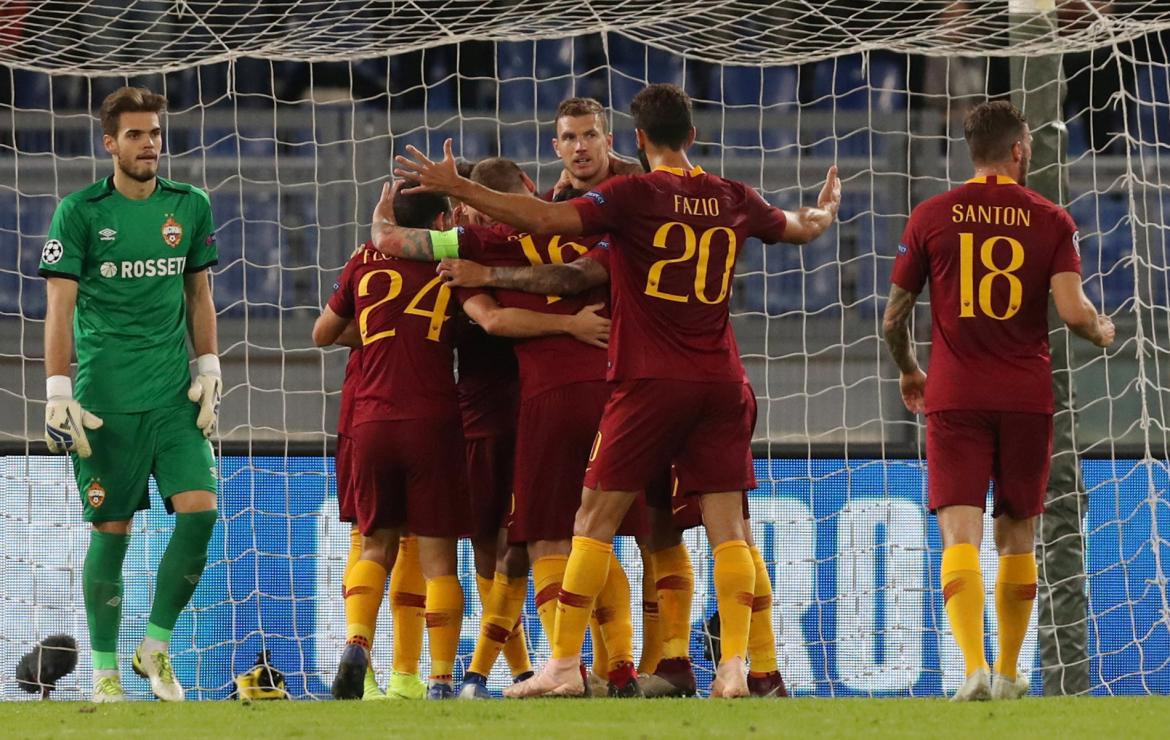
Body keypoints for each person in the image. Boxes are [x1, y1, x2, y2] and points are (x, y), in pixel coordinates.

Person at [393, 82, 840, 697]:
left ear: (630, 139)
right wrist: (826, 211)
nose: (580, 148)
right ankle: (736, 667)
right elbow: (799, 227)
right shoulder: (734, 195)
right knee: (728, 529)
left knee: (592, 520)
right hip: (722, 378)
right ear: (693, 134)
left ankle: (564, 665)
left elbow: (547, 221)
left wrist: (461, 189)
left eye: (590, 136)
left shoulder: (632, 196)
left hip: (648, 381)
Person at [882, 100, 1115, 701]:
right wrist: (1101, 329)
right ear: (1016, 150)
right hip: (1025, 396)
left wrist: (912, 369)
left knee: (960, 538)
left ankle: (973, 669)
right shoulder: (1051, 219)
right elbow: (1071, 311)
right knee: (1019, 537)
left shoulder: (931, 215)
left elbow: (891, 320)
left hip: (955, 395)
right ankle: (1010, 674)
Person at [39, 86, 221, 702]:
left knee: (202, 512)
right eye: (136, 135)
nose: (150, 145)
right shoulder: (80, 212)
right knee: (110, 532)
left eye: (156, 133)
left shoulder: (190, 205)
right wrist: (57, 390)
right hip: (104, 401)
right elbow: (58, 308)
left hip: (173, 393)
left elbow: (199, 294)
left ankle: (155, 646)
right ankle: (105, 670)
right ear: (110, 143)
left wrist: (210, 368)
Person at [315, 188, 471, 700]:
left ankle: (358, 642)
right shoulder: (456, 257)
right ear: (442, 221)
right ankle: (442, 679)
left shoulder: (363, 258)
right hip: (433, 417)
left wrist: (379, 329)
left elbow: (321, 333)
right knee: (438, 560)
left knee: (374, 544)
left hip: (371, 418)